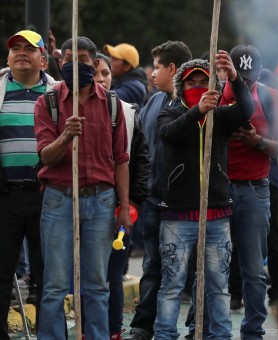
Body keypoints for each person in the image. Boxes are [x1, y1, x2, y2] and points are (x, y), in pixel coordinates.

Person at [33, 36, 131, 339]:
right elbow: (45, 156)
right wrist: (65, 136)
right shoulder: (47, 102)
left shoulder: (113, 104)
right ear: (60, 63)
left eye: (84, 59)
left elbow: (121, 160)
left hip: (100, 202)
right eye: (69, 60)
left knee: (96, 285)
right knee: (54, 286)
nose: (76, 65)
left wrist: (124, 207)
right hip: (58, 199)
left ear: (95, 63)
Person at [152, 54, 253, 340]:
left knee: (219, 285)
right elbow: (168, 134)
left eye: (203, 81)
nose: (197, 85)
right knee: (172, 285)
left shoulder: (221, 117)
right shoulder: (169, 112)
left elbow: (246, 109)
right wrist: (197, 110)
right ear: (180, 87)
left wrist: (234, 78)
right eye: (191, 82)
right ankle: (164, 335)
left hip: (216, 214)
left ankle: (220, 336)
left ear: (213, 86)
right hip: (177, 215)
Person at [123, 40, 192, 340]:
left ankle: (193, 326)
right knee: (152, 264)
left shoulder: (193, 106)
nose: (152, 73)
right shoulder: (153, 102)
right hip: (152, 201)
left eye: (158, 67)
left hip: (181, 203)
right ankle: (143, 326)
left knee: (187, 271)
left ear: (173, 69)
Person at [220, 44, 278, 339]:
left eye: (249, 77)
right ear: (228, 71)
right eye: (239, 76)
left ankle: (253, 331)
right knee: (212, 267)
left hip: (255, 190)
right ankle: (212, 328)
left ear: (259, 73)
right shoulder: (215, 93)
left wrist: (257, 142)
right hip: (218, 190)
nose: (244, 82)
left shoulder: (271, 98)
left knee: (253, 269)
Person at [0, 29, 55, 339]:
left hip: (48, 196)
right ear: (8, 58)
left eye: (29, 48)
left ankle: (50, 333)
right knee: (2, 272)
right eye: (15, 48)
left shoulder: (58, 93)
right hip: (5, 196)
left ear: (43, 59)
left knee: (48, 275)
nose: (21, 52)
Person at [94, 52, 150, 339]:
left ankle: (114, 330)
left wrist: (133, 204)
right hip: (85, 204)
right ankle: (89, 331)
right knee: (89, 276)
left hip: (120, 207)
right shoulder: (69, 110)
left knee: (113, 274)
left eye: (105, 72)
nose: (101, 79)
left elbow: (140, 160)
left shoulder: (127, 111)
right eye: (95, 73)